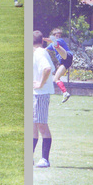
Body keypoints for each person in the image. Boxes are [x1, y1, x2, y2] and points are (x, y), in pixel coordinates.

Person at [32, 30, 55, 168]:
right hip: (35, 94)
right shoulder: (38, 52)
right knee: (33, 126)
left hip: (40, 94)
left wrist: (40, 84)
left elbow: (47, 69)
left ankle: (45, 159)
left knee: (41, 125)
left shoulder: (39, 53)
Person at [44, 28, 74, 103]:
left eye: (59, 36)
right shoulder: (51, 45)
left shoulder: (61, 40)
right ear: (54, 36)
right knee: (56, 78)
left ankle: (56, 46)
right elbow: (44, 50)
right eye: (56, 36)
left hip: (67, 55)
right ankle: (65, 93)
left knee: (58, 47)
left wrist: (45, 39)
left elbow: (52, 41)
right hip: (65, 63)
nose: (58, 37)